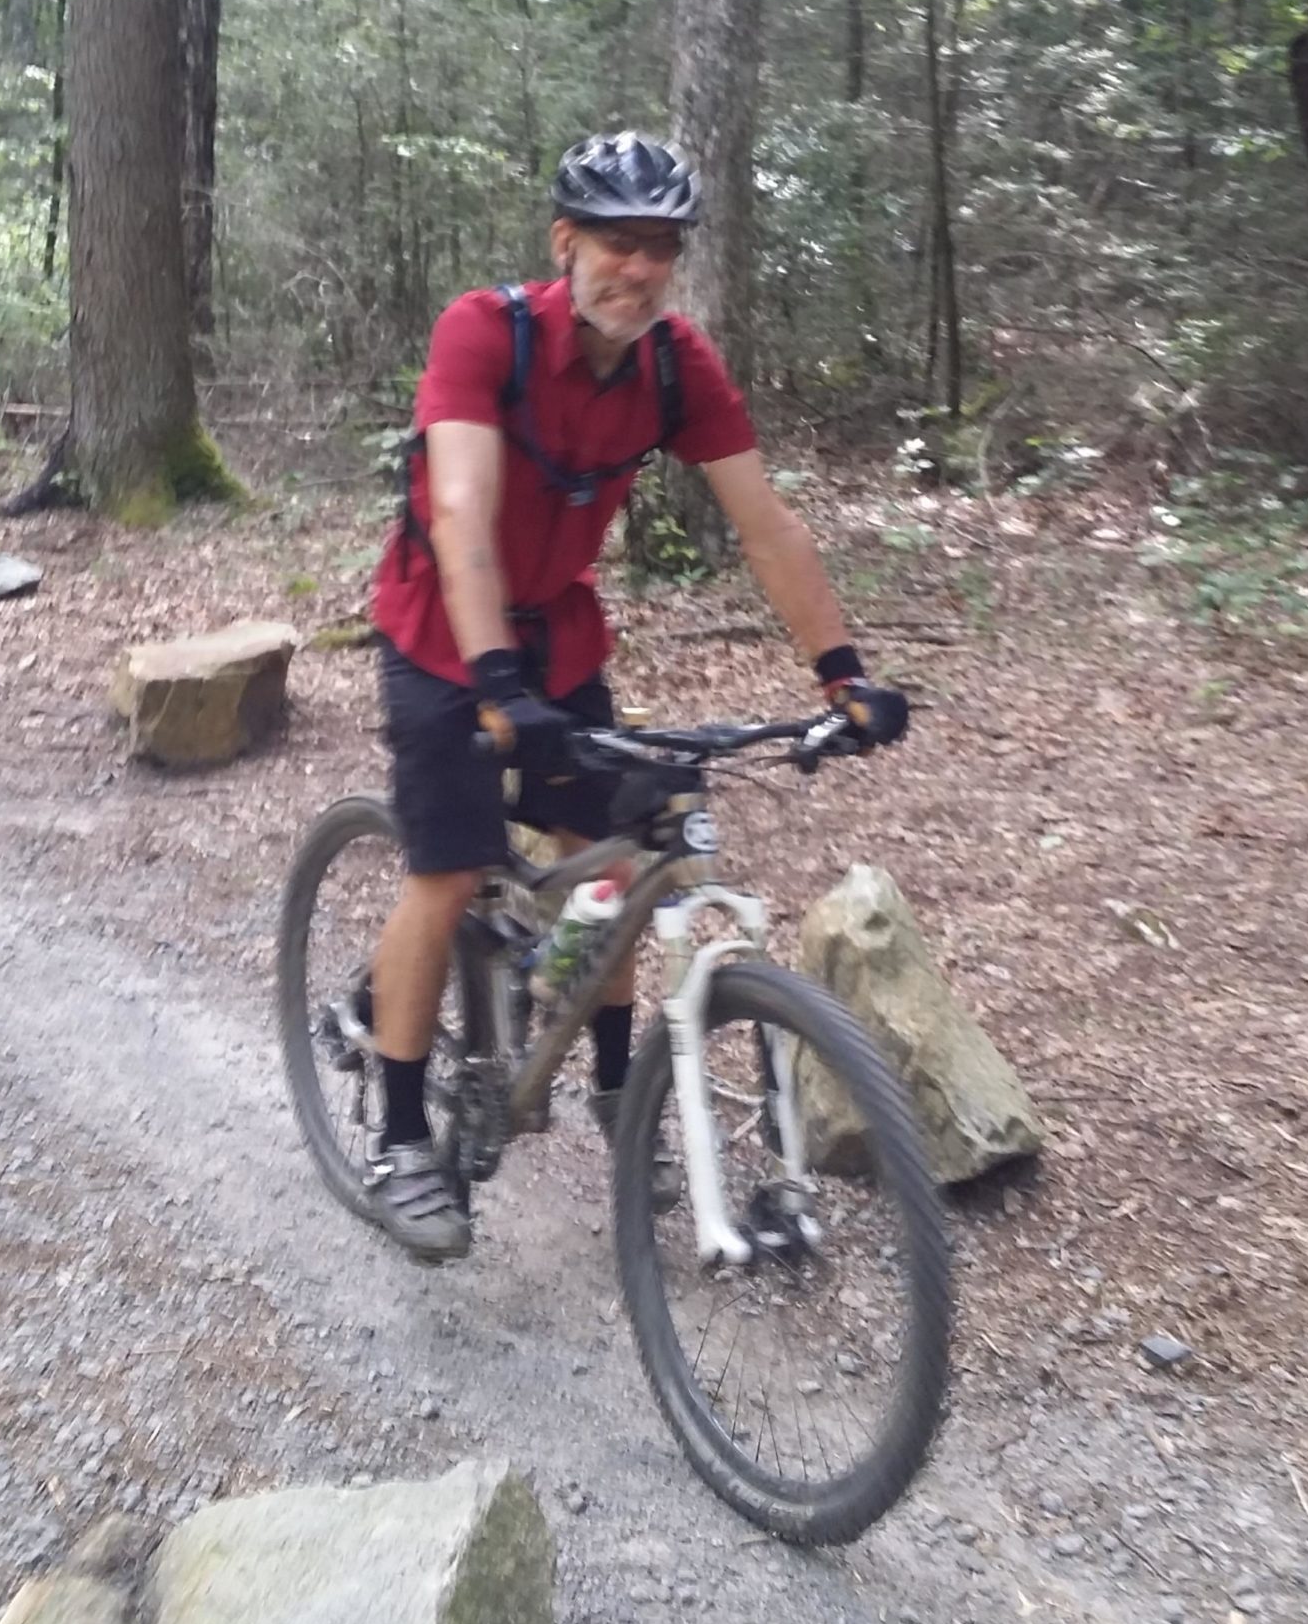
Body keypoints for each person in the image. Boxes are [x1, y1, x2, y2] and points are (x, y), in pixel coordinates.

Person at [367, 130, 909, 1261]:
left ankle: (623, 1095)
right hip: (443, 637)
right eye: (620, 243)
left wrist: (842, 671)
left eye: (662, 247)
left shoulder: (673, 364)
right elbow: (461, 509)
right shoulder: (485, 332)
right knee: (451, 867)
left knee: (612, 864)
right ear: (567, 241)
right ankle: (402, 1133)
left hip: (557, 640)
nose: (641, 268)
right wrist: (493, 679)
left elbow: (767, 527)